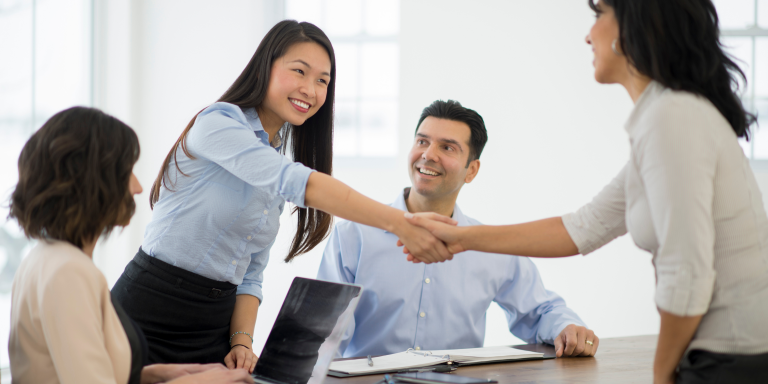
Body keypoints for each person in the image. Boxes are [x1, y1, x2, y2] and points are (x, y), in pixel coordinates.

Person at [403, 1, 768, 383]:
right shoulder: (667, 117)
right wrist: (461, 238)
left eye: (598, 16)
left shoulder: (671, 119)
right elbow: (584, 227)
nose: (589, 34)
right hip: (727, 355)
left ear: (634, 26)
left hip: (731, 360)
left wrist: (661, 376)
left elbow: (687, 274)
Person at [111, 20, 454, 373]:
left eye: (323, 80)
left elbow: (249, 274)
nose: (311, 89)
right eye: (300, 71)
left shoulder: (275, 164)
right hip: (150, 310)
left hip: (214, 325)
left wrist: (241, 341)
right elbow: (299, 182)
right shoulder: (218, 123)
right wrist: (402, 223)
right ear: (266, 67)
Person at [317, 100, 598, 358]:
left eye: (447, 147)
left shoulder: (490, 246)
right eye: (422, 141)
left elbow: (541, 311)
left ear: (471, 170)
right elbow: (324, 334)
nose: (428, 155)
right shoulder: (353, 236)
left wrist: (568, 328)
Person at [8, 107, 253, 384]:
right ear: (91, 181)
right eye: (127, 172)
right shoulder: (69, 272)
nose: (137, 187)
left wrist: (158, 373)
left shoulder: (43, 257)